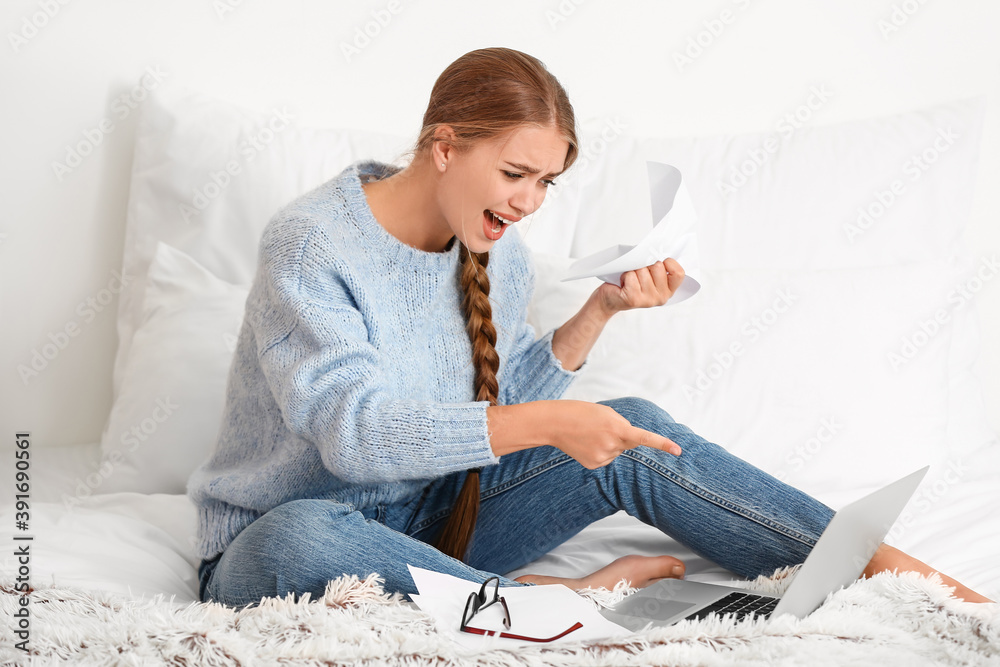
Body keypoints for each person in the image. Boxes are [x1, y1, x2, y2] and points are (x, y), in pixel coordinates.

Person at [187, 47, 990, 609]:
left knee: (630, 426)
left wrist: (599, 310)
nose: (530, 201)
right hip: (290, 545)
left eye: (546, 181)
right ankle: (543, 605)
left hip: (441, 526)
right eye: (514, 173)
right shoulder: (313, 243)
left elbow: (499, 399)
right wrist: (550, 422)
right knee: (296, 535)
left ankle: (890, 578)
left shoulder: (499, 252)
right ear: (442, 146)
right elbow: (354, 436)